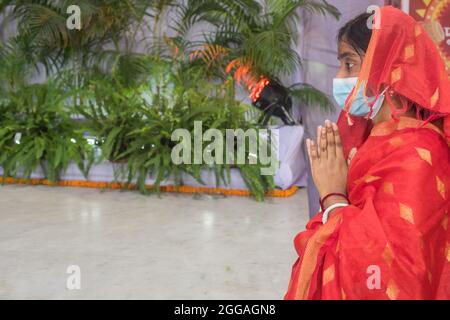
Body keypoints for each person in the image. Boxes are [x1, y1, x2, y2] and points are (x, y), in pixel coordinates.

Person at [285, 6, 450, 300]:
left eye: (349, 64)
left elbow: (394, 277)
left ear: (386, 69)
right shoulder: (366, 135)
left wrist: (334, 198)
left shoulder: (419, 155)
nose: (339, 75)